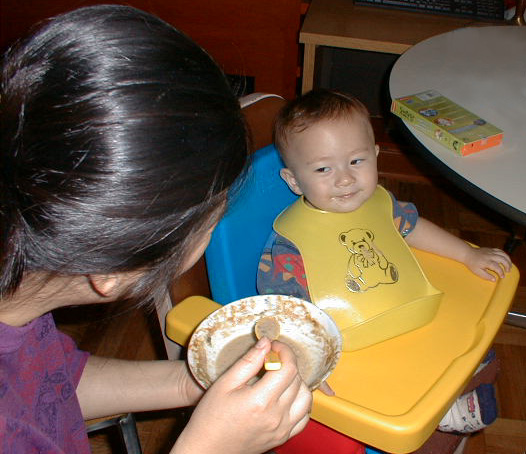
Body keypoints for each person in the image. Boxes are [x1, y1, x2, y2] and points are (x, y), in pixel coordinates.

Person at [0, 6, 314, 453]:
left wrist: (194, 382)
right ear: (111, 270)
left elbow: (51, 383)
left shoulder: (20, 277)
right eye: (211, 221)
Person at [257, 89, 511, 453]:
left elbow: (413, 227)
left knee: (467, 338)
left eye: (356, 161)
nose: (344, 179)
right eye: (323, 169)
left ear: (376, 156)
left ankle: (457, 394)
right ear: (294, 181)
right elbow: (281, 306)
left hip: (407, 310)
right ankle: (441, 420)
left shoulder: (381, 202)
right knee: (403, 390)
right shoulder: (289, 243)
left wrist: (467, 256)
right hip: (349, 347)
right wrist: (304, 355)